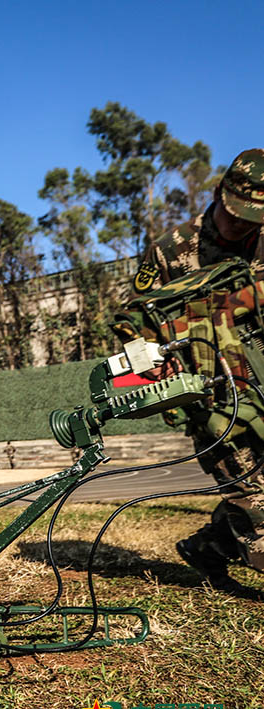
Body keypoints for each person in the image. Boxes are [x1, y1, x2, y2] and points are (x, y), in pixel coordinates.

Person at [132, 148, 264, 594]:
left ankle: (209, 548)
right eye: (237, 214)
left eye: (255, 217)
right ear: (218, 193)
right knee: (255, 502)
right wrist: (153, 355)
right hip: (217, 399)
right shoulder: (171, 251)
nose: (244, 225)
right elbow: (133, 321)